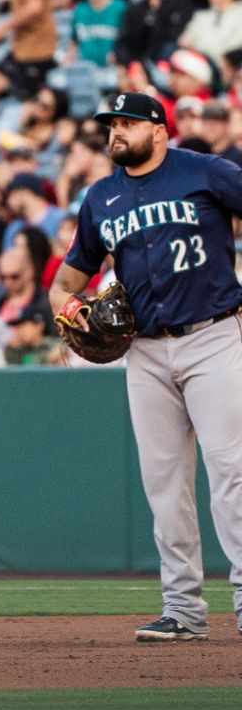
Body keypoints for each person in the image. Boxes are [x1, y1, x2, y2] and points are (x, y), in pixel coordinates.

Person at [49, 92, 242, 642]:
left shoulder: (205, 172)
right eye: (111, 124)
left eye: (127, 122)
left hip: (213, 335)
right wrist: (68, 310)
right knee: (164, 482)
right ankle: (183, 610)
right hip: (146, 351)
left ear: (159, 129)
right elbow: (66, 281)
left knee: (232, 473)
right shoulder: (101, 197)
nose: (115, 131)